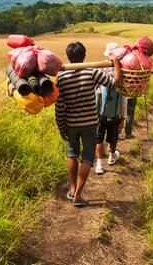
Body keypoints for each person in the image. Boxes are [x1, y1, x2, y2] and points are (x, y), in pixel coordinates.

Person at [55, 42, 122, 207]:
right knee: (87, 158)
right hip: (90, 123)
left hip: (71, 124)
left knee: (72, 153)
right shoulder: (92, 73)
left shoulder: (61, 78)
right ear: (84, 56)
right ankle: (78, 195)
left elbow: (59, 107)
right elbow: (116, 83)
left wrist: (61, 127)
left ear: (68, 57)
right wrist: (116, 63)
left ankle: (72, 189)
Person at [95, 42, 127, 174]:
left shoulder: (101, 70)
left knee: (99, 138)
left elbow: (95, 91)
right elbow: (124, 97)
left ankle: (98, 164)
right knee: (113, 137)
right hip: (114, 114)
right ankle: (111, 156)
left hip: (100, 113)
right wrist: (123, 116)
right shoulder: (123, 73)